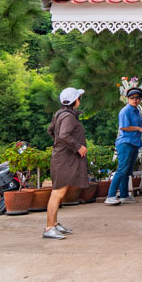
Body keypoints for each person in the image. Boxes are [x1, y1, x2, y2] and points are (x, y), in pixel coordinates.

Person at [44, 88, 88, 240]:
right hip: (63, 160)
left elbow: (52, 131)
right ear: (75, 100)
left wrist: (60, 145)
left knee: (59, 192)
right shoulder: (68, 117)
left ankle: (54, 224)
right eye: (79, 98)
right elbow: (63, 135)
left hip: (61, 157)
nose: (80, 100)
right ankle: (49, 228)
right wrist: (78, 147)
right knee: (57, 192)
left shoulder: (59, 114)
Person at [105, 86, 142, 205]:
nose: (135, 100)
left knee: (128, 170)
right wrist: (139, 128)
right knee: (122, 169)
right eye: (132, 97)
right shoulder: (125, 111)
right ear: (127, 98)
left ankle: (124, 195)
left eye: (138, 98)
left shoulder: (137, 110)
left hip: (134, 142)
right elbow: (123, 127)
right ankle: (111, 195)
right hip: (125, 142)